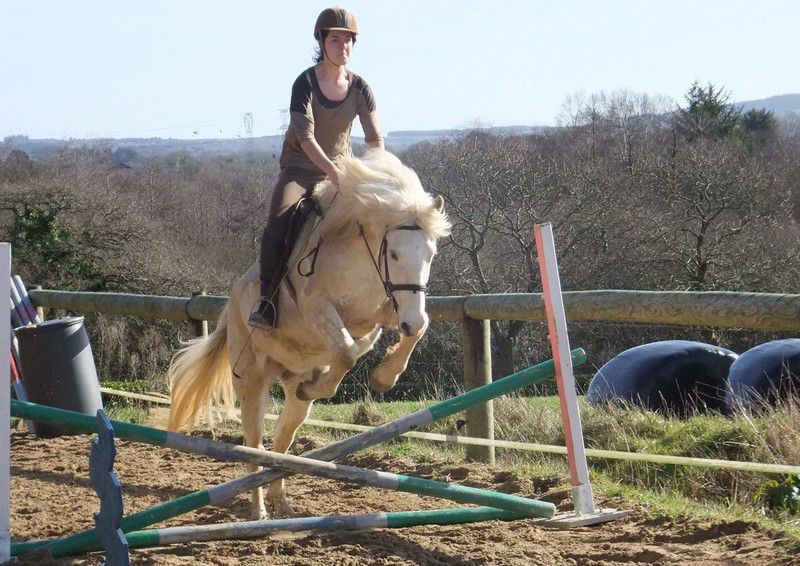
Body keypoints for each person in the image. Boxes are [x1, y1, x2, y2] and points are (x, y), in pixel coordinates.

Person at [249, 7, 384, 330]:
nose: (343, 47)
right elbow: (306, 139)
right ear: (322, 42)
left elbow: (375, 140)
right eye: (335, 39)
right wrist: (335, 175)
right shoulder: (304, 84)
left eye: (348, 40)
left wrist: (375, 177)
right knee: (278, 218)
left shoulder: (361, 88)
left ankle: (384, 293)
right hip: (300, 169)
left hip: (343, 171)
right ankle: (267, 302)